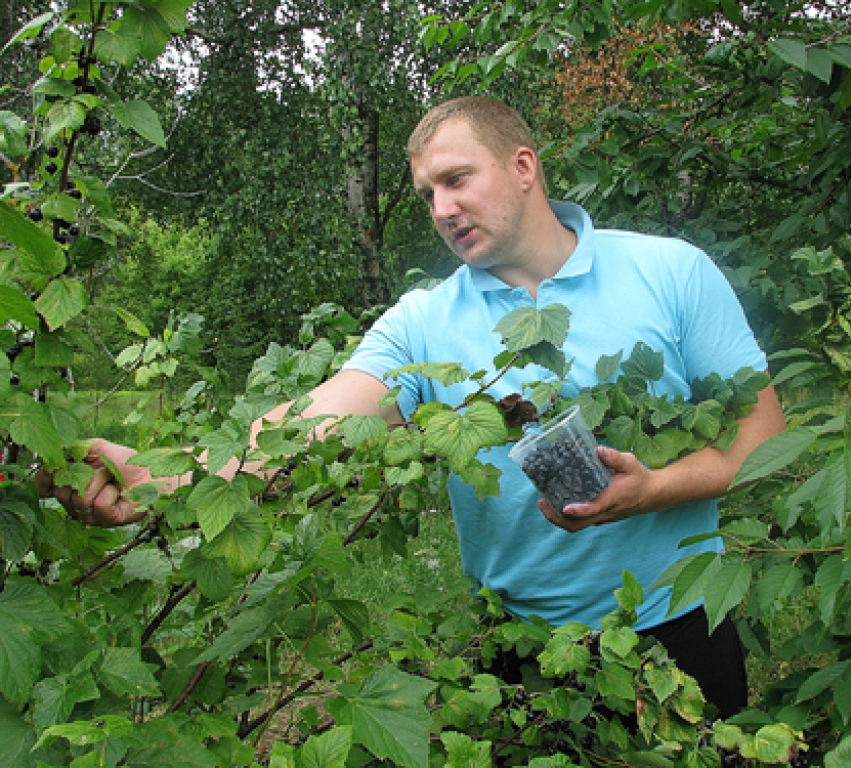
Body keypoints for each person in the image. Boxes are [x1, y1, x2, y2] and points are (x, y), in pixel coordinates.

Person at [42, 96, 786, 718]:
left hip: (681, 625)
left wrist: (654, 490)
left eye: (457, 179)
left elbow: (765, 436)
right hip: (518, 648)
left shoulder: (669, 271)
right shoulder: (424, 322)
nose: (441, 207)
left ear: (523, 167)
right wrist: (164, 480)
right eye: (429, 192)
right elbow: (309, 423)